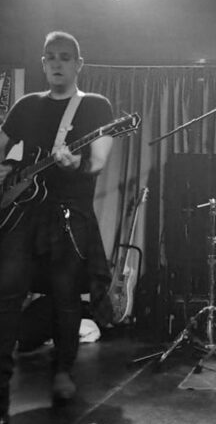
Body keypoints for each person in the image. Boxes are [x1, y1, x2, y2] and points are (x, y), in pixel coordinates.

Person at [0, 31, 114, 422]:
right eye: (51, 57)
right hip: (21, 212)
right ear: (43, 63)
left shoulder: (95, 106)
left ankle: (63, 370)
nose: (57, 63)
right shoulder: (27, 105)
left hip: (68, 213)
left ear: (79, 64)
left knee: (66, 296)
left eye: (65, 57)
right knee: (6, 293)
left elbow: (98, 162)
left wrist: (74, 164)